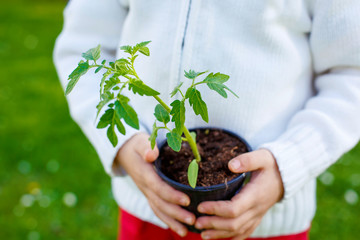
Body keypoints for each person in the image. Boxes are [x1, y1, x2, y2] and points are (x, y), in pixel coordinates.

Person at [54, 0, 360, 239]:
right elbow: (81, 46)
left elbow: (351, 73)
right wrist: (122, 144)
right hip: (149, 210)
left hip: (265, 222)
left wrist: (290, 164)